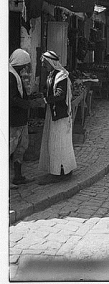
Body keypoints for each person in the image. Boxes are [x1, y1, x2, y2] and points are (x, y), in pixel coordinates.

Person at [38, 51, 77, 185]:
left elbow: (60, 95)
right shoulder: (52, 74)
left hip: (60, 115)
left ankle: (61, 172)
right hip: (54, 113)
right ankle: (61, 170)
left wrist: (45, 100)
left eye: (44, 63)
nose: (43, 65)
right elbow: (48, 89)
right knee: (56, 142)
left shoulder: (61, 76)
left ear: (51, 63)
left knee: (59, 143)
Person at [9, 49, 39, 187]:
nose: (26, 68)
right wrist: (28, 104)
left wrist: (30, 99)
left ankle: (18, 176)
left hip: (21, 119)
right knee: (9, 148)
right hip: (13, 120)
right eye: (24, 64)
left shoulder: (16, 75)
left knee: (21, 148)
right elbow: (12, 99)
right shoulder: (10, 76)